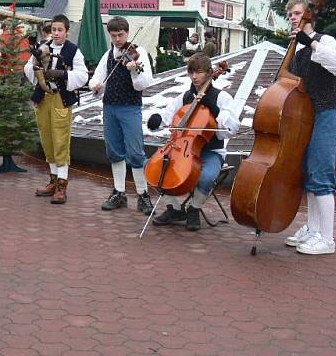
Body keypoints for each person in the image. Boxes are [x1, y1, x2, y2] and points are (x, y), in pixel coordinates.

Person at [283, 0, 336, 255]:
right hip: (305, 118)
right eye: (290, 15)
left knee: (322, 175)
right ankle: (312, 229)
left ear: (309, 15)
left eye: (297, 13)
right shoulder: (297, 51)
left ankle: (327, 238)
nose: (293, 18)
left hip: (326, 113)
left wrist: (310, 42)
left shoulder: (324, 40)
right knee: (310, 176)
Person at [147, 53, 239, 230]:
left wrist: (214, 110)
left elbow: (232, 128)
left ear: (209, 73)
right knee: (152, 168)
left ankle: (194, 209)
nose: (195, 77)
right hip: (183, 149)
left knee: (206, 177)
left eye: (199, 72)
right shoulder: (185, 97)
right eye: (191, 72)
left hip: (212, 152)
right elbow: (168, 115)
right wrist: (157, 119)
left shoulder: (222, 98)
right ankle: (174, 208)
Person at [89, 16, 154, 213]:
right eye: (114, 35)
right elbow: (97, 77)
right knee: (114, 151)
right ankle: (119, 192)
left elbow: (144, 83)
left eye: (121, 35)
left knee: (135, 152)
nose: (117, 39)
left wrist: (134, 71)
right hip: (110, 107)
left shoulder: (138, 52)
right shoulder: (108, 54)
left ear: (127, 32)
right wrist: (96, 86)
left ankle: (143, 195)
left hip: (130, 108)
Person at [24, 13, 88, 204]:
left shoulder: (73, 51)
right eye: (54, 30)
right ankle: (53, 179)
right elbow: (28, 68)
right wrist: (37, 69)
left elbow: (83, 75)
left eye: (60, 30)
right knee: (47, 139)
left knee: (60, 140)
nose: (57, 33)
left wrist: (63, 74)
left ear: (67, 32)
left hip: (61, 98)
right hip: (44, 97)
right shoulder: (43, 48)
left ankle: (62, 183)